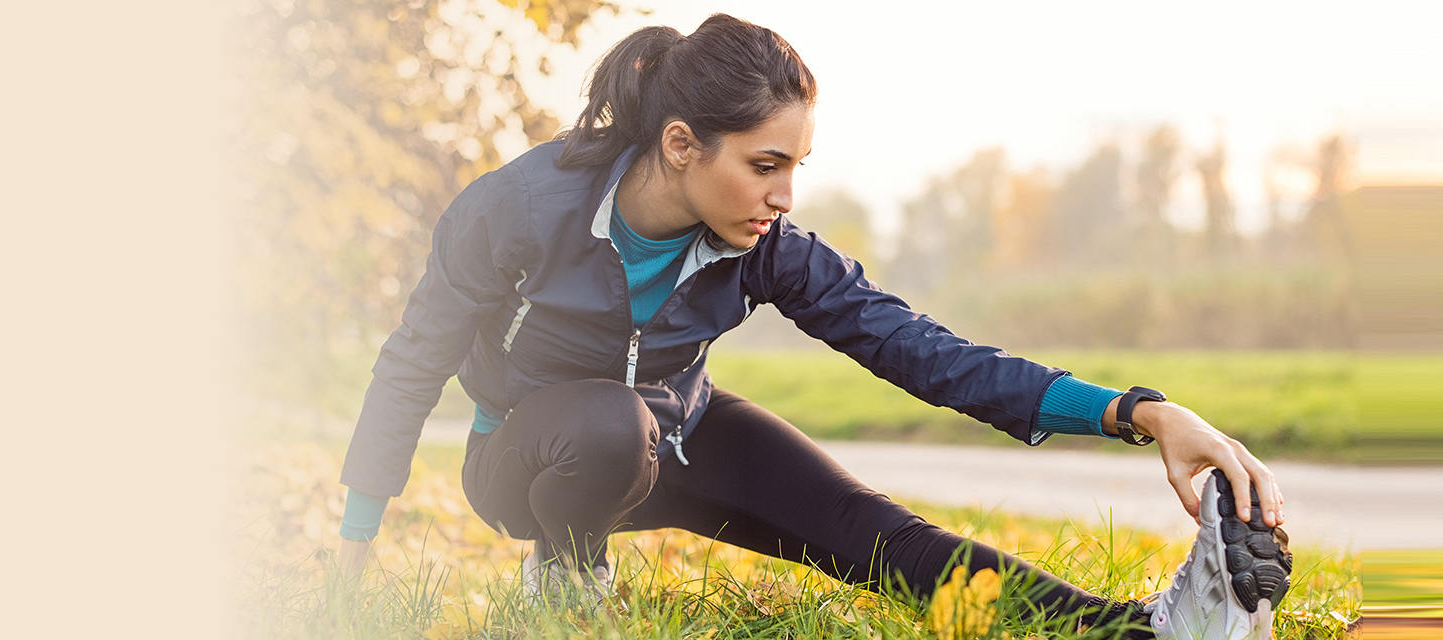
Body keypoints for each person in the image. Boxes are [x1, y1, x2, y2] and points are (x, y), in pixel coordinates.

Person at [335, 13, 1291, 639]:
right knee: (602, 426)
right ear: (680, 145)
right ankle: (566, 575)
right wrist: (355, 549)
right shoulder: (519, 211)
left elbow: (927, 354)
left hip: (675, 429)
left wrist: (1139, 413)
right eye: (764, 165)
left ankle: (1138, 631)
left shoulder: (767, 246)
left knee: (876, 532)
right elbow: (412, 362)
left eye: (797, 165)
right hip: (527, 457)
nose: (785, 195)